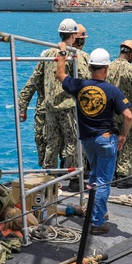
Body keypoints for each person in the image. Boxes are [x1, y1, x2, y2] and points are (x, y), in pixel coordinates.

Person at [55, 45, 132, 235]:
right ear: (106, 69)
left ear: (90, 67)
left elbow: (60, 74)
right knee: (103, 182)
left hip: (88, 141)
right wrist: (122, 135)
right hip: (106, 140)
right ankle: (98, 222)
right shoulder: (112, 90)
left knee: (94, 176)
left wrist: (63, 53)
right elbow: (129, 116)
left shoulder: (79, 86)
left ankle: (97, 212)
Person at [39, 18, 89, 169]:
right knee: (72, 142)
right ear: (73, 36)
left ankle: (48, 177)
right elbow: (85, 76)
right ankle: (73, 179)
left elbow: (38, 77)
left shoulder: (48, 52)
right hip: (67, 106)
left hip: (49, 106)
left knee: (51, 143)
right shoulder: (74, 54)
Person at [107, 40, 132, 187]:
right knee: (128, 141)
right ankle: (123, 175)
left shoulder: (108, 67)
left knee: (112, 142)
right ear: (130, 54)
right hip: (126, 113)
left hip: (109, 113)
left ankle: (111, 174)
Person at [17, 64, 46, 165]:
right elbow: (27, 91)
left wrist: (22, 110)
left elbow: (27, 91)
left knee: (43, 139)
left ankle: (50, 169)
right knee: (43, 139)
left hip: (45, 109)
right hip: (46, 110)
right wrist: (22, 110)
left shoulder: (40, 71)